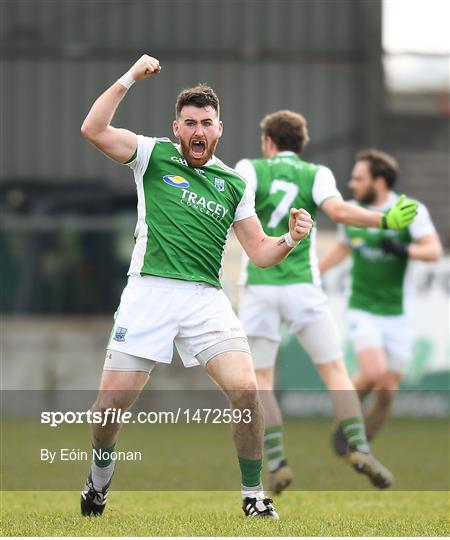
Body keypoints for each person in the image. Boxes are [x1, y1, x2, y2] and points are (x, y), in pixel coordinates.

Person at [79, 55, 314, 520]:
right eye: (190, 123)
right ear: (177, 127)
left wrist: (291, 238)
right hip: (148, 293)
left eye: (206, 122)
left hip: (205, 299)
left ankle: (253, 496)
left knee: (246, 390)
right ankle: (99, 479)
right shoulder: (152, 154)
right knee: (108, 410)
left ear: (220, 129)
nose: (198, 130)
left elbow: (261, 251)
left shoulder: (233, 183)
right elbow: (93, 128)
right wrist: (130, 77)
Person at [235, 111, 417, 494]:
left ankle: (279, 462)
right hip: (303, 286)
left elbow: (235, 202)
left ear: (268, 142)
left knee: (262, 381)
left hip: (260, 285)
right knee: (336, 371)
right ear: (300, 144)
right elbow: (338, 212)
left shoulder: (250, 168)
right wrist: (383, 220)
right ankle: (360, 446)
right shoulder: (316, 174)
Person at [319, 148, 442, 454]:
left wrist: (404, 251)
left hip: (398, 314)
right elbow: (343, 249)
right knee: (373, 373)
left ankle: (361, 448)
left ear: (379, 181)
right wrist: (314, 271)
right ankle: (345, 424)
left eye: (358, 178)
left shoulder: (409, 210)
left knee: (387, 392)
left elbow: (434, 251)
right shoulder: (353, 212)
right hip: (363, 307)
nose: (351, 183)